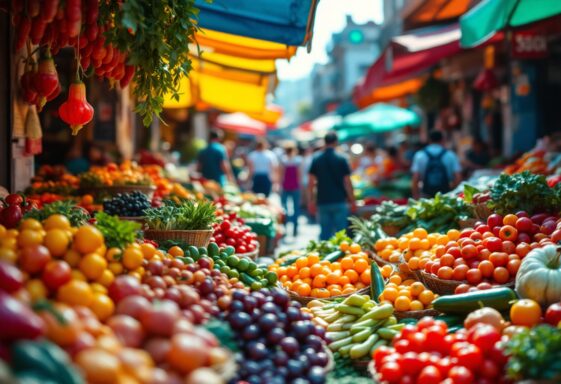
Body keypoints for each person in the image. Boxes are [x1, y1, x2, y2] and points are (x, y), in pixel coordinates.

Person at [308, 132, 356, 241]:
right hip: (339, 200)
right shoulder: (342, 158)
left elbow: (311, 182)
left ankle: (325, 257)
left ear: (325, 142)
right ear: (336, 142)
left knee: (325, 235)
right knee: (341, 235)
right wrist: (352, 200)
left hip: (322, 201)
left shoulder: (316, 159)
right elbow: (348, 182)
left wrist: (311, 200)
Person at [411, 130, 461, 199]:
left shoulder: (420, 155)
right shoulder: (450, 155)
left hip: (426, 196)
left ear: (429, 140)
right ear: (442, 139)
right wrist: (454, 193)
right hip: (445, 197)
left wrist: (416, 197)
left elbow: (415, 178)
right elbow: (458, 177)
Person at [280, 144, 302, 237]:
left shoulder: (283, 160)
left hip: (285, 186)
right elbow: (299, 175)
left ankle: (285, 227)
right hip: (295, 186)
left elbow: (281, 174)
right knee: (295, 208)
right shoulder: (297, 160)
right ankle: (295, 228)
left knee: (285, 208)